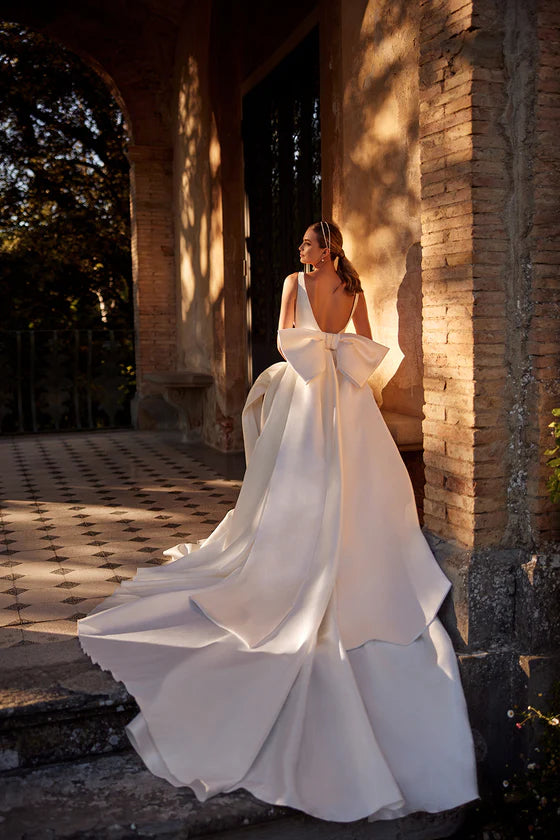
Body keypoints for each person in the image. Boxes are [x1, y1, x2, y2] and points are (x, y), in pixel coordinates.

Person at [78, 219, 479, 824]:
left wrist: (316, 351)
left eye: (308, 244)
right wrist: (336, 353)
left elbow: (286, 340)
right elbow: (367, 348)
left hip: (306, 389)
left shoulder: (296, 282)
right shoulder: (353, 288)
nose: (300, 250)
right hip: (346, 396)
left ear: (325, 248)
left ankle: (298, 545)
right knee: (353, 476)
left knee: (294, 474)